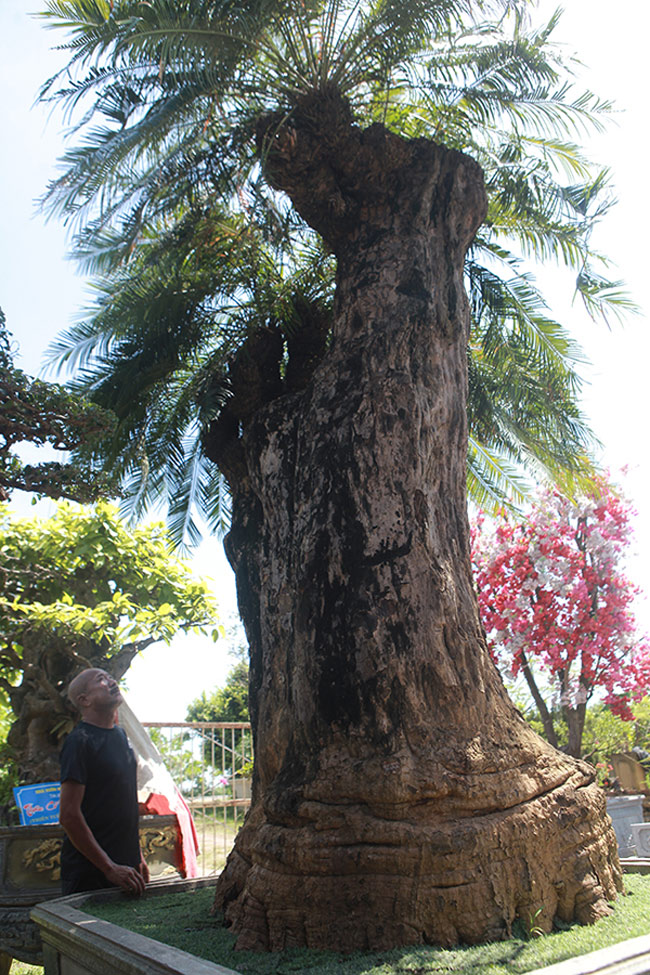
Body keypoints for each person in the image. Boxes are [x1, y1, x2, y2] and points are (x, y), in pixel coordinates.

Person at [59, 668, 150, 896]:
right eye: (101, 680)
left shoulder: (121, 737)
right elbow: (68, 815)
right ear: (84, 700)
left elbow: (124, 801)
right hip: (90, 873)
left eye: (110, 677)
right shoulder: (79, 742)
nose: (110, 681)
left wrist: (136, 855)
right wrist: (109, 868)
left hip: (127, 868)